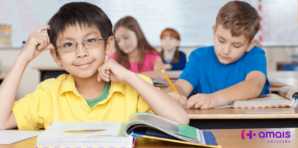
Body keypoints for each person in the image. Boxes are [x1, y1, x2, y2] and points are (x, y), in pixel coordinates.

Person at [0, 2, 189, 130]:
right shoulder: (49, 93)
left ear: (108, 45)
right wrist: (23, 58)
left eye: (90, 40)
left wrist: (130, 76)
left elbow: (180, 121)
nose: (81, 52)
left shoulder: (134, 87)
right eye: (68, 45)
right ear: (56, 55)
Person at [165, 1, 270, 109]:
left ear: (250, 45)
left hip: (249, 124)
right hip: (208, 124)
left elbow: (254, 85)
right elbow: (181, 86)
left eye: (236, 45)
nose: (226, 51)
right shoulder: (199, 57)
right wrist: (172, 94)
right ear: (214, 31)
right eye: (221, 40)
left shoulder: (255, 55)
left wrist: (215, 99)